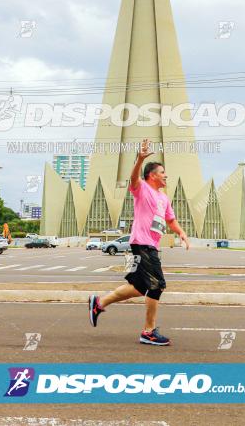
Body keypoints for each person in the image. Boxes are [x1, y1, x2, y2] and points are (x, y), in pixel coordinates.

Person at [88, 138, 190, 345]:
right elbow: (133, 179)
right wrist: (139, 159)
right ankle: (148, 332)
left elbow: (170, 219)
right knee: (157, 285)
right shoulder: (142, 189)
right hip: (141, 243)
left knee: (139, 286)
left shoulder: (163, 198)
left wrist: (181, 233)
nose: (166, 176)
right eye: (162, 173)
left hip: (151, 245)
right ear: (152, 176)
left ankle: (100, 303)